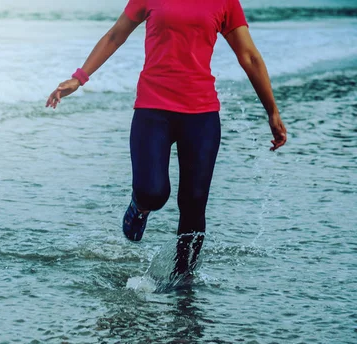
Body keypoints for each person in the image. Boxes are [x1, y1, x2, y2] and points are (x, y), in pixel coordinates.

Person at [46, 0, 287, 280]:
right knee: (152, 192)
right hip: (152, 109)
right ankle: (140, 207)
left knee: (194, 203)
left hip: (202, 114)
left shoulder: (225, 2)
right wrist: (79, 78)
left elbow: (249, 56)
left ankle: (183, 281)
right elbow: (116, 35)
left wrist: (272, 111)